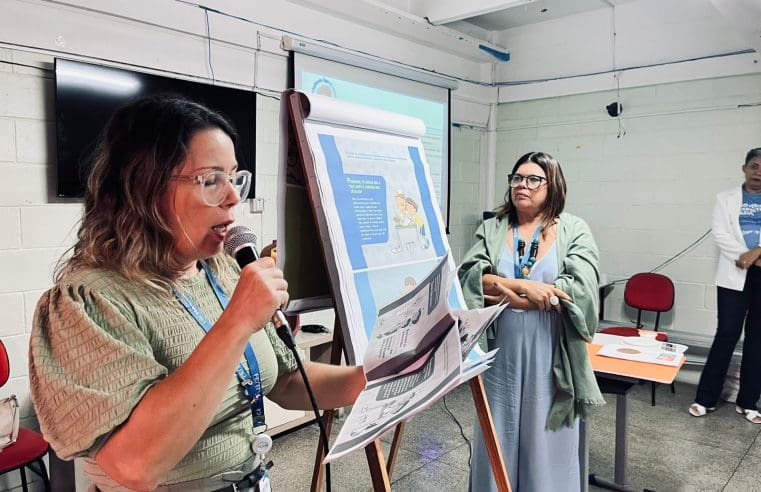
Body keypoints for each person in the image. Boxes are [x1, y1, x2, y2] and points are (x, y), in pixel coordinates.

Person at [28, 95, 366, 491]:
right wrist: (238, 320)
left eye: (234, 177)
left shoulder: (221, 269)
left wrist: (373, 378)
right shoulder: (86, 302)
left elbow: (285, 381)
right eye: (210, 180)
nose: (233, 197)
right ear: (145, 188)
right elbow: (135, 465)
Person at [458, 151, 603, 491]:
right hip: (501, 352)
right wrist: (525, 288)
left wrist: (506, 290)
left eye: (533, 179)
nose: (522, 185)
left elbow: (580, 288)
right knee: (498, 431)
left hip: (551, 350)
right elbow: (472, 278)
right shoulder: (492, 228)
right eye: (517, 178)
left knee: (547, 438)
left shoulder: (573, 228)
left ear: (552, 185)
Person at [690, 147, 761, 424]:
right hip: (734, 273)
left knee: (758, 338)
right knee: (727, 334)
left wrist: (755, 253)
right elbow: (720, 233)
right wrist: (747, 256)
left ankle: (749, 403)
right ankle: (705, 398)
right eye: (754, 166)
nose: (759, 173)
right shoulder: (725, 198)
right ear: (744, 168)